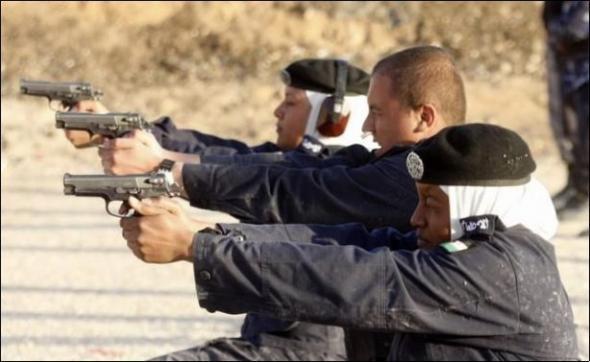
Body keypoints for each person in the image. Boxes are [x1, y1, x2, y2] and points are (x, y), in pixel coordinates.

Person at [104, 45, 467, 360]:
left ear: (424, 117)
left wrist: (183, 208)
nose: (370, 126)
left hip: (311, 347)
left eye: (379, 113)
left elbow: (303, 207)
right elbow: (276, 170)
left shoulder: (407, 178)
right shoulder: (384, 165)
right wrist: (167, 163)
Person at [120, 123, 578, 360]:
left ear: (472, 207)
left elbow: (359, 281)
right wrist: (206, 234)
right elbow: (344, 244)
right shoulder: (479, 252)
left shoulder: (495, 271)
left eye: (432, 206)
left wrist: (197, 248)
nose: (415, 218)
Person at [66, 58, 376, 170]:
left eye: (291, 103)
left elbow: (242, 170)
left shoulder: (343, 177)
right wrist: (124, 128)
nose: (277, 111)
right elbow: (218, 153)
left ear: (333, 116)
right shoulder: (296, 162)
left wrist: (159, 158)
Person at [543, 1, 589, 236]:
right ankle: (579, 187)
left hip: (583, 69)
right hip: (574, 73)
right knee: (576, 136)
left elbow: (576, 28)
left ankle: (582, 192)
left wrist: (562, 31)